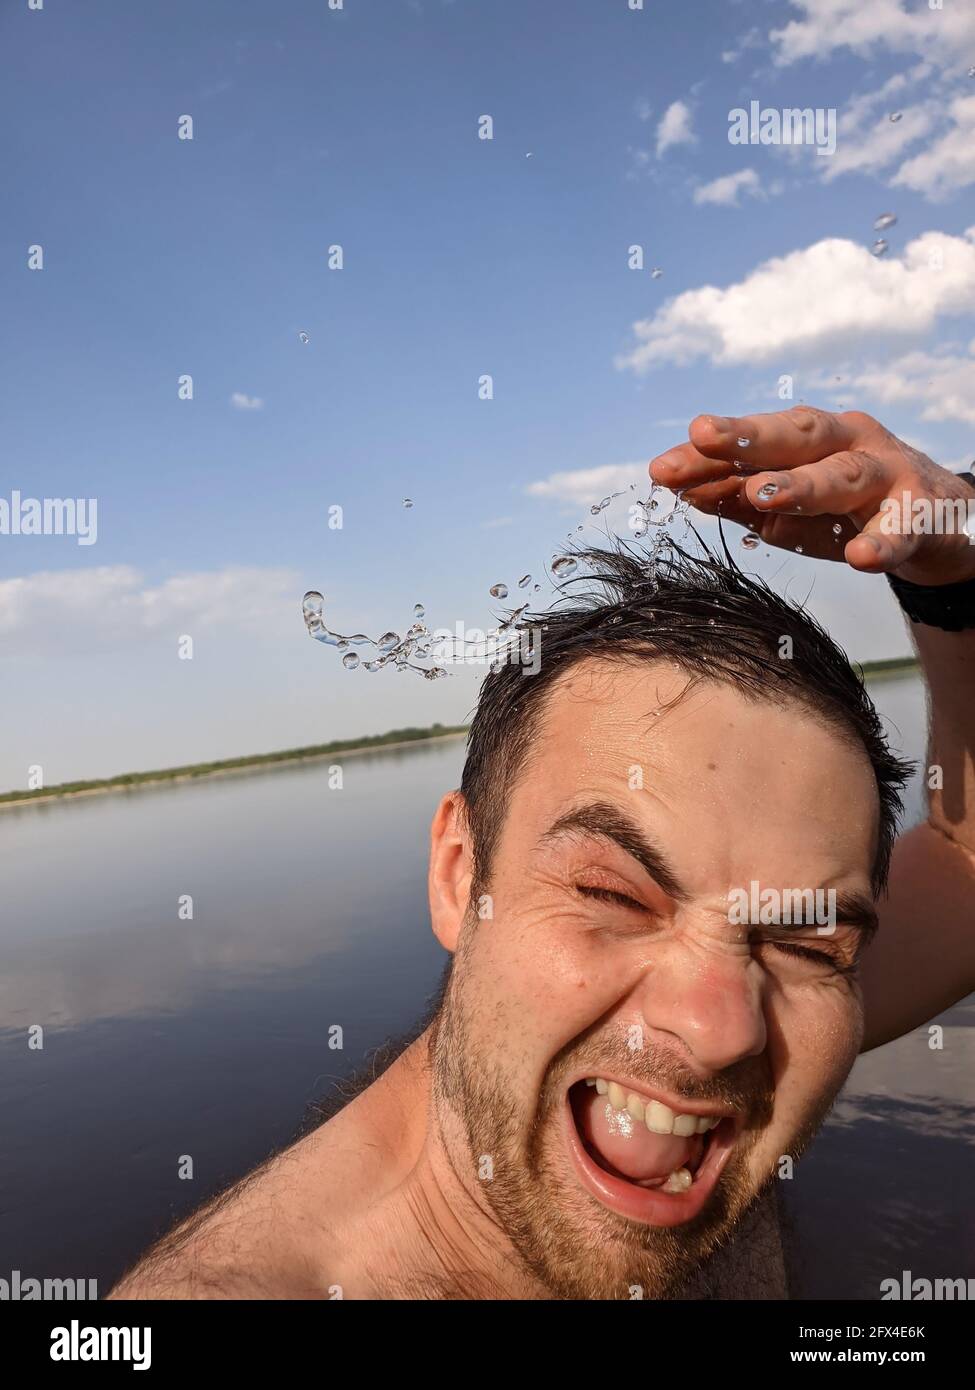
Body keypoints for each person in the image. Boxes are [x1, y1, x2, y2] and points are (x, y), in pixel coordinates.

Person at [109, 407, 975, 1301]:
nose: (720, 1032)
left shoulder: (772, 1041)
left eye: (802, 942)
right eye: (614, 895)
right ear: (458, 873)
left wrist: (957, 566)